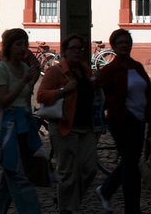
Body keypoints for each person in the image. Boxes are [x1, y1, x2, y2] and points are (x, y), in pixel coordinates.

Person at [94, 28, 151, 214]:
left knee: (131, 162)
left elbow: (146, 92)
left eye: (126, 42)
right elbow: (100, 95)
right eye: (120, 43)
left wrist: (150, 118)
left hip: (139, 120)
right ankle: (132, 208)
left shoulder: (137, 67)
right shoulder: (110, 70)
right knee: (131, 167)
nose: (124, 45)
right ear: (113, 46)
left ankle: (106, 189)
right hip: (120, 120)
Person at [38, 34, 99, 212]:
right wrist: (64, 90)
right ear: (65, 51)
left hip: (86, 127)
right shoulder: (55, 71)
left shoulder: (85, 70)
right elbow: (41, 95)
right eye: (73, 48)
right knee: (67, 174)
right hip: (64, 126)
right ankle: (66, 209)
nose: (77, 52)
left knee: (90, 169)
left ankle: (70, 203)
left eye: (80, 48)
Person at [0, 27, 45, 214]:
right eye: (18, 44)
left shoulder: (26, 68)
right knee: (19, 177)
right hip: (7, 129)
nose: (23, 48)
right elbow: (3, 100)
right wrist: (23, 82)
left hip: (24, 127)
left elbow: (26, 100)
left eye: (25, 44)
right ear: (9, 47)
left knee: (10, 178)